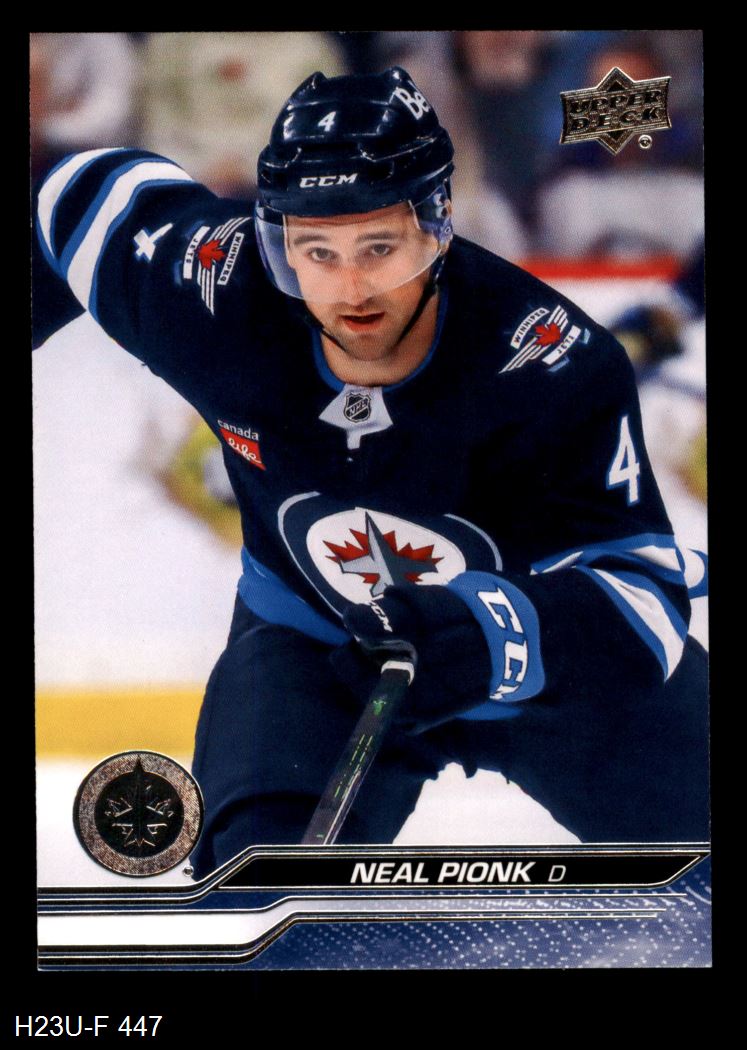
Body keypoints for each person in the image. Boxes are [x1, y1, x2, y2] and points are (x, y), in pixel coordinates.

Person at [35, 68, 708, 879]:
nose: (350, 289)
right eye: (315, 252)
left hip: (556, 675)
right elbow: (78, 197)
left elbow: (644, 597)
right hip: (320, 653)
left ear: (435, 225)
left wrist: (492, 633)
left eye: (378, 248)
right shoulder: (210, 288)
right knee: (253, 893)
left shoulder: (548, 360)